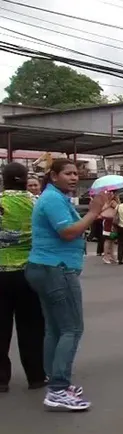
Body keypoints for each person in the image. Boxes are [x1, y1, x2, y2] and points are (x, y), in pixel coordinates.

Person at [26, 158, 110, 411]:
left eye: (76, 173)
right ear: (53, 176)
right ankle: (59, 389)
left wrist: (96, 214)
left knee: (55, 328)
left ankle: (55, 380)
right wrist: (94, 212)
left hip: (49, 267)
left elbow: (73, 228)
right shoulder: (52, 199)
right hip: (56, 268)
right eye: (68, 173)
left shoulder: (57, 198)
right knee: (72, 328)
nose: (74, 178)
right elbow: (68, 232)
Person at [0, 162, 46, 393]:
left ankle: (1, 380)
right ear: (24, 178)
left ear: (4, 179)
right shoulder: (36, 202)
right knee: (32, 327)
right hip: (29, 272)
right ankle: (36, 376)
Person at [100, 193, 119, 265]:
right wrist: (108, 205)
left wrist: (117, 201)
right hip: (108, 222)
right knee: (107, 239)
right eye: (109, 193)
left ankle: (112, 256)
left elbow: (118, 208)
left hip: (113, 222)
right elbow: (101, 210)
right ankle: (106, 256)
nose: (111, 194)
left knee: (112, 239)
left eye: (113, 193)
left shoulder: (115, 202)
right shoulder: (106, 202)